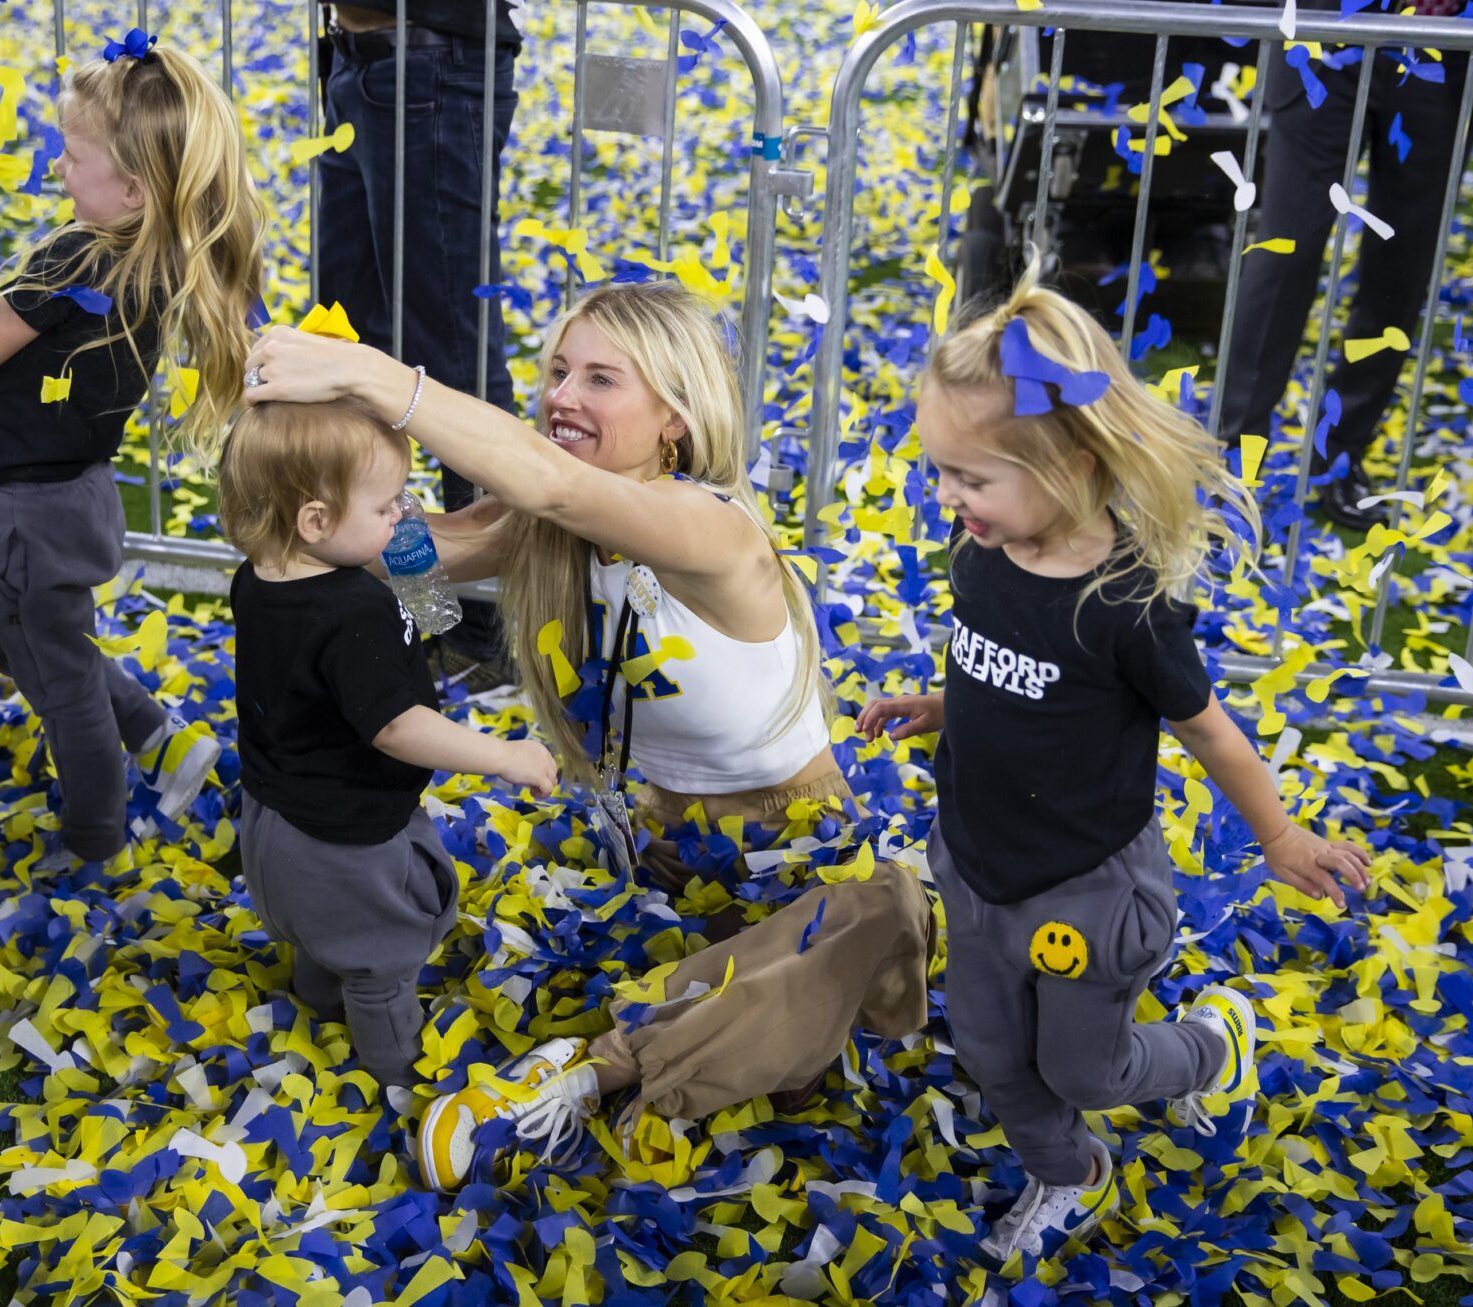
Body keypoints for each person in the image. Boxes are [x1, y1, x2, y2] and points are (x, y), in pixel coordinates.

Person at [240, 279, 932, 1192]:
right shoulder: (547, 524)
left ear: (674, 419)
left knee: (883, 912)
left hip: (784, 848)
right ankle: (687, 1032)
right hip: (650, 854)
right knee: (785, 1005)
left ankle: (587, 1070)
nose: (563, 395)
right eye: (559, 371)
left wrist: (370, 374)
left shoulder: (711, 523)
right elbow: (401, 551)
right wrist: (316, 474)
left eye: (602, 379)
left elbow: (555, 483)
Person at [858, 267, 1372, 1262]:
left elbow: (1211, 730)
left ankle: (1211, 1048)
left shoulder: (1126, 607)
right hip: (975, 858)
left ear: (1069, 462)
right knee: (998, 1055)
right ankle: (1073, 1172)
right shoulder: (982, 556)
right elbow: (1006, 671)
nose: (946, 496)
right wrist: (936, 705)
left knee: (1086, 1067)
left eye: (971, 475)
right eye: (941, 471)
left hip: (1084, 887)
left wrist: (1280, 833)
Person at [0, 33, 262, 868]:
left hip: (28, 508)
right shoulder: (146, 251)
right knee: (7, 636)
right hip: (62, 497)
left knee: (60, 679)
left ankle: (95, 831)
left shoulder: (83, 250)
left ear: (133, 186)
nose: (57, 171)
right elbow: (15, 288)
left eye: (70, 156)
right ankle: (158, 738)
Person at [219, 398, 557, 1086]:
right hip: (344, 845)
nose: (405, 515)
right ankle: (396, 1072)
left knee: (323, 938)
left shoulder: (259, 578)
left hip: (274, 819)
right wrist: (505, 755)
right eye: (386, 505)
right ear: (315, 520)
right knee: (380, 960)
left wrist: (404, 557)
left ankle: (316, 998)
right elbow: (398, 726)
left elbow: (406, 596)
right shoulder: (353, 613)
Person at [315, 0, 522, 671]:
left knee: (453, 357)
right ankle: (421, 604)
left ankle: (488, 635)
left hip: (428, 60)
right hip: (365, 56)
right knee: (352, 356)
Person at [1215, 1, 1469, 530]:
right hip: (1325, 32)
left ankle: (1341, 452)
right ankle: (1233, 455)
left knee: (1402, 260)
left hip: (1443, 49)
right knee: (1286, 251)